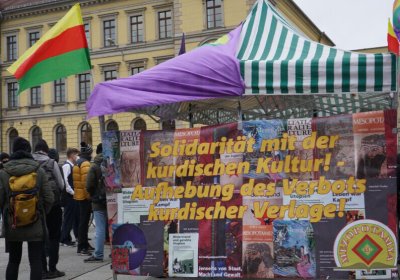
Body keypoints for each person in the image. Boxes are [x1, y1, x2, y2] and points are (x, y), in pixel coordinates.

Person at [0, 137, 54, 280]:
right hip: (35, 222)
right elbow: (49, 198)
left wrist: (7, 212)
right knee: (35, 261)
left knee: (13, 261)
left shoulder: (4, 172)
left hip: (13, 223)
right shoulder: (39, 171)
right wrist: (40, 212)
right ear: (29, 151)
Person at [84, 143, 107, 263]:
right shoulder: (115, 162)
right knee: (115, 227)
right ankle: (118, 254)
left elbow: (88, 185)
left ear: (97, 152)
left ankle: (98, 254)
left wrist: (93, 194)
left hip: (98, 201)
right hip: (114, 201)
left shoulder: (94, 166)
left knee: (100, 229)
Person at [73, 142, 93, 255]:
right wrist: (89, 197)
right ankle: (82, 246)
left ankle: (85, 244)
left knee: (83, 222)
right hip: (85, 198)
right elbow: (86, 183)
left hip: (79, 196)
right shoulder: (85, 163)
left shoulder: (78, 162)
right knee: (84, 223)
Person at [60, 148, 80, 247]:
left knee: (72, 217)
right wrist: (73, 193)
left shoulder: (72, 166)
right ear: (72, 155)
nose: (77, 157)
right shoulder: (67, 166)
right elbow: (66, 182)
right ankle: (64, 238)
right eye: (76, 155)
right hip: (69, 196)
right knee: (68, 218)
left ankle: (68, 237)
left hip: (72, 195)